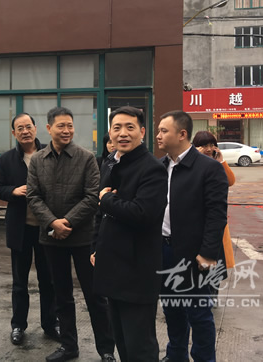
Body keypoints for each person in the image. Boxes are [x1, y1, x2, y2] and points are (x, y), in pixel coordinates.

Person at [27, 107, 116, 362]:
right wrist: (53, 223)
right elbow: (33, 196)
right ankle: (69, 346)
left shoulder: (86, 158)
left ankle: (106, 349)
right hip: (51, 237)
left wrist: (66, 222)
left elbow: (92, 196)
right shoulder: (37, 160)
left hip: (83, 236)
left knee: (95, 295)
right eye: (61, 126)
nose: (66, 130)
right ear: (49, 129)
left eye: (70, 126)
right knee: (61, 294)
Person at [92, 106, 168, 362]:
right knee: (122, 341)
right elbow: (100, 212)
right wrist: (95, 247)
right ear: (110, 133)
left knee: (140, 346)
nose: (122, 133)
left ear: (142, 132)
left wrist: (108, 200)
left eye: (130, 127)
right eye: (117, 128)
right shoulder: (110, 163)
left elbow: (143, 213)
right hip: (112, 267)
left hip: (137, 271)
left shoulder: (152, 168)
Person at [156, 111, 228, 362]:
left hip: (193, 254)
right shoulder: (160, 166)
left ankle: (204, 358)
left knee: (199, 314)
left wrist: (207, 253)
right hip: (163, 251)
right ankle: (176, 354)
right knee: (171, 310)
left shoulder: (208, 168)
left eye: (164, 131)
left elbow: (217, 215)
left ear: (182, 134)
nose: (158, 136)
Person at [0, 113, 58, 346]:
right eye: (19, 128)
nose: (25, 131)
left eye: (28, 127)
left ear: (36, 128)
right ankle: (18, 326)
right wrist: (13, 191)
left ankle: (50, 324)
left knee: (48, 280)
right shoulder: (7, 159)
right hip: (20, 228)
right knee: (20, 282)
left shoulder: (50, 154)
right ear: (14, 133)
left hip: (46, 228)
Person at [192, 131, 236, 295]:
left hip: (214, 221)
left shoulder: (216, 164)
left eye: (212, 145)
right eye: (204, 145)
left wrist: (221, 161)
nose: (209, 149)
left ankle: (212, 292)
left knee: (216, 256)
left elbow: (230, 181)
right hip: (196, 221)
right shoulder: (192, 163)